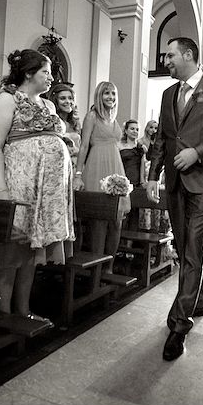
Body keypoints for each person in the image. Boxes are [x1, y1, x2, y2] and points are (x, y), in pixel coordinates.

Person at [146, 36, 203, 361]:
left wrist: (197, 153)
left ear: (188, 55)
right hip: (173, 181)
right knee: (182, 243)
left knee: (192, 246)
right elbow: (162, 136)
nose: (166, 60)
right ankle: (198, 295)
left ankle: (178, 324)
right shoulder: (168, 93)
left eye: (171, 55)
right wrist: (152, 175)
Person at [0, 49, 74, 325]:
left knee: (31, 253)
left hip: (44, 192)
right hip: (16, 183)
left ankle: (22, 310)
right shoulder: (6, 99)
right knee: (12, 251)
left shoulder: (48, 105)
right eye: (45, 72)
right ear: (28, 73)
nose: (51, 77)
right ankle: (2, 315)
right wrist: (1, 190)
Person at [74, 81, 130, 271]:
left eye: (113, 94)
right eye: (106, 93)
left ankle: (109, 266)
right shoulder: (92, 116)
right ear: (99, 95)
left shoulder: (113, 119)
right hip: (97, 167)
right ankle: (96, 268)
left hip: (116, 168)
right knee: (98, 221)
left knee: (116, 221)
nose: (111, 97)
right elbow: (83, 146)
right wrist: (78, 174)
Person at [47, 82, 82, 170]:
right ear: (55, 101)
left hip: (76, 165)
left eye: (70, 98)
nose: (68, 102)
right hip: (58, 166)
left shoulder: (75, 123)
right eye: (63, 98)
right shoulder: (51, 122)